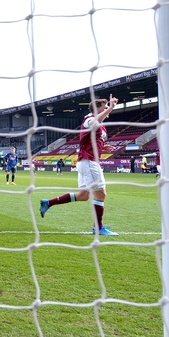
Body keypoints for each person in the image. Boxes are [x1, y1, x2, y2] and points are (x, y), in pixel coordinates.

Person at [40, 94, 119, 236]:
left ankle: (48, 203)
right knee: (100, 194)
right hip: (89, 162)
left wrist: (104, 147)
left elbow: (92, 138)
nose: (108, 109)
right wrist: (111, 108)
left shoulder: (100, 125)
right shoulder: (89, 119)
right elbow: (94, 123)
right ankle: (98, 228)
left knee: (83, 196)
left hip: (86, 162)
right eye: (104, 107)